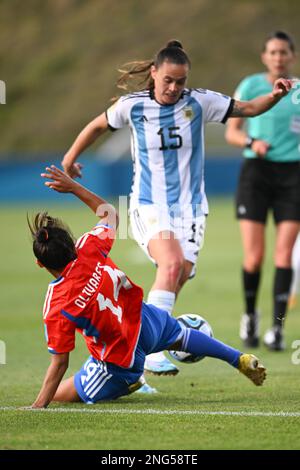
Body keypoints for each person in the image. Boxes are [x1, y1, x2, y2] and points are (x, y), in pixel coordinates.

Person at [61, 39, 292, 376]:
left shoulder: (200, 102)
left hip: (191, 209)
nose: (173, 87)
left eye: (180, 81)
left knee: (179, 272)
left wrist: (275, 95)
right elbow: (98, 125)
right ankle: (151, 351)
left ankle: (140, 352)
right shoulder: (133, 106)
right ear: (154, 73)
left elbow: (249, 108)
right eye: (167, 80)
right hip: (148, 204)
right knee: (170, 265)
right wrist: (70, 160)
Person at [27, 165, 266, 409]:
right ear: (71, 244)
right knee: (180, 336)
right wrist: (73, 187)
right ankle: (239, 358)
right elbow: (110, 213)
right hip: (147, 321)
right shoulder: (89, 247)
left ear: (39, 263)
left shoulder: (57, 302)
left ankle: (127, 382)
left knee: (59, 394)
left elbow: (60, 362)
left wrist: (38, 406)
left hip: (120, 359)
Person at [225, 31, 300, 351]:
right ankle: (250, 317)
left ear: (292, 56)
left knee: (284, 255)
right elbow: (232, 132)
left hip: (293, 177)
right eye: (272, 52)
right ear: (264, 56)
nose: (278, 57)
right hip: (256, 173)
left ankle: (278, 328)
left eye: (283, 52)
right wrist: (251, 143)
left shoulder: (298, 91)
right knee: (254, 258)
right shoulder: (251, 86)